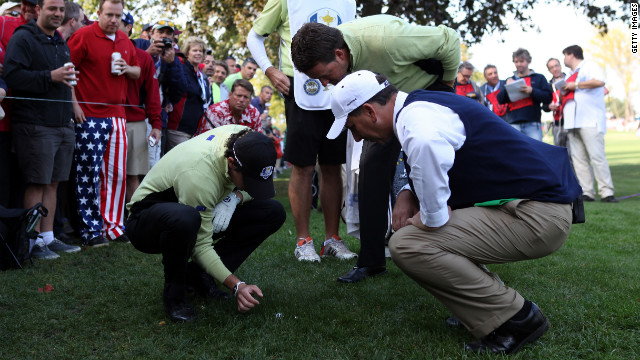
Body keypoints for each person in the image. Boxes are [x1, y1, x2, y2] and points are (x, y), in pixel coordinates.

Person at [329, 70, 581, 354]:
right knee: (421, 238)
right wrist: (408, 192)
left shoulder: (417, 123)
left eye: (352, 126)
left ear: (369, 111)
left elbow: (436, 216)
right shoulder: (420, 106)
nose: (358, 136)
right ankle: (489, 308)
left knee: (408, 243)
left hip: (537, 214)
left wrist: (421, 218)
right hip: (538, 205)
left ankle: (516, 319)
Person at [290, 14, 460, 282]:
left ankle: (460, 258)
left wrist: (446, 91)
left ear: (339, 54)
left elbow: (449, 41)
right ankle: (371, 261)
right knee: (369, 168)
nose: (324, 84)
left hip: (426, 97)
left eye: (324, 76)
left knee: (446, 174)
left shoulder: (385, 38)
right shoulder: (336, 54)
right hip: (383, 111)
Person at [125, 125, 285, 322]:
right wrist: (237, 285)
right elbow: (200, 245)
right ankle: (175, 295)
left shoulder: (245, 139)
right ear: (232, 163)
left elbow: (251, 189)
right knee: (186, 219)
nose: (252, 188)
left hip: (194, 205)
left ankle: (200, 276)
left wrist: (235, 196)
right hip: (145, 220)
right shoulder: (200, 176)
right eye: (249, 181)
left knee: (272, 212)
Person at [248, 0, 358, 264]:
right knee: (303, 166)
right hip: (299, 89)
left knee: (333, 166)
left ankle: (332, 238)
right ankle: (303, 241)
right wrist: (270, 70)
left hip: (338, 86)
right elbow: (254, 35)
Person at [4, 0, 81, 258]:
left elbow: (62, 79)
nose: (57, 14)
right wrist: (51, 76)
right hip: (35, 125)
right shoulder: (24, 37)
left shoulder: (59, 40)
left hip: (62, 124)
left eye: (61, 10)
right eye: (52, 9)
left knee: (54, 183)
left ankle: (47, 238)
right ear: (39, 10)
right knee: (37, 182)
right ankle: (31, 240)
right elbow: (13, 76)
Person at [67, 0, 140, 246]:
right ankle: (90, 229)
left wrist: (128, 68)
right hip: (89, 115)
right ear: (98, 13)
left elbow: (138, 71)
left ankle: (113, 227)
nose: (114, 19)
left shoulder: (124, 39)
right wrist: (74, 104)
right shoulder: (83, 35)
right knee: (88, 173)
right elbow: (69, 72)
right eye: (109, 14)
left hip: (118, 115)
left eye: (117, 15)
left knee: (116, 175)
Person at [562, 45, 617, 203]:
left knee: (597, 156)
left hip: (590, 120)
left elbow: (600, 81)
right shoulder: (570, 74)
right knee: (579, 159)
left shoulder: (590, 65)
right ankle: (587, 191)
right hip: (573, 121)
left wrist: (576, 85)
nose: (564, 59)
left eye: (565, 55)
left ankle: (606, 192)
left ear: (571, 55)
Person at [119, 10, 161, 203]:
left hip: (134, 121)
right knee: (106, 174)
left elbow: (152, 95)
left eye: (119, 21)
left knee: (132, 175)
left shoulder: (143, 58)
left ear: (129, 27)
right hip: (103, 117)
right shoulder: (99, 49)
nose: (113, 23)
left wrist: (156, 125)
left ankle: (133, 221)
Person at [133, 18, 187, 161]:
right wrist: (147, 54)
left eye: (168, 33)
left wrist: (171, 66)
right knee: (134, 161)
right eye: (160, 32)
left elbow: (179, 91)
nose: (164, 36)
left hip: (157, 118)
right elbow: (129, 76)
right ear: (151, 33)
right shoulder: (139, 44)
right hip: (135, 113)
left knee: (154, 161)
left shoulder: (173, 57)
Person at [166, 36, 211, 151]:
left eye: (200, 51)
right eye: (194, 50)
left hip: (196, 131)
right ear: (187, 53)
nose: (198, 53)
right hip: (178, 129)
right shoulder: (181, 69)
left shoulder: (202, 76)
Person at [496, 48, 552, 141]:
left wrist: (532, 91)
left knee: (535, 152)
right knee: (516, 154)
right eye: (516, 62)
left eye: (521, 61)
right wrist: (506, 87)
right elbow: (500, 100)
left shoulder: (539, 78)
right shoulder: (509, 79)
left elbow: (548, 97)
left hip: (533, 123)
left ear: (528, 61)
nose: (518, 64)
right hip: (514, 124)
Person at [197, 79, 262, 134]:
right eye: (239, 96)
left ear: (250, 100)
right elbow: (208, 140)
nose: (242, 100)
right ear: (230, 95)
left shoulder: (254, 114)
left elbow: (258, 140)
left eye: (246, 97)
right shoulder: (215, 111)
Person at [544, 58, 569, 148]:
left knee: (575, 153)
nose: (555, 69)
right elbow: (544, 106)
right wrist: (549, 107)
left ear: (560, 66)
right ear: (549, 70)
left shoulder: (570, 79)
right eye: (551, 67)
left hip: (572, 121)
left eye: (556, 66)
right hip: (558, 123)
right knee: (560, 152)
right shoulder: (548, 86)